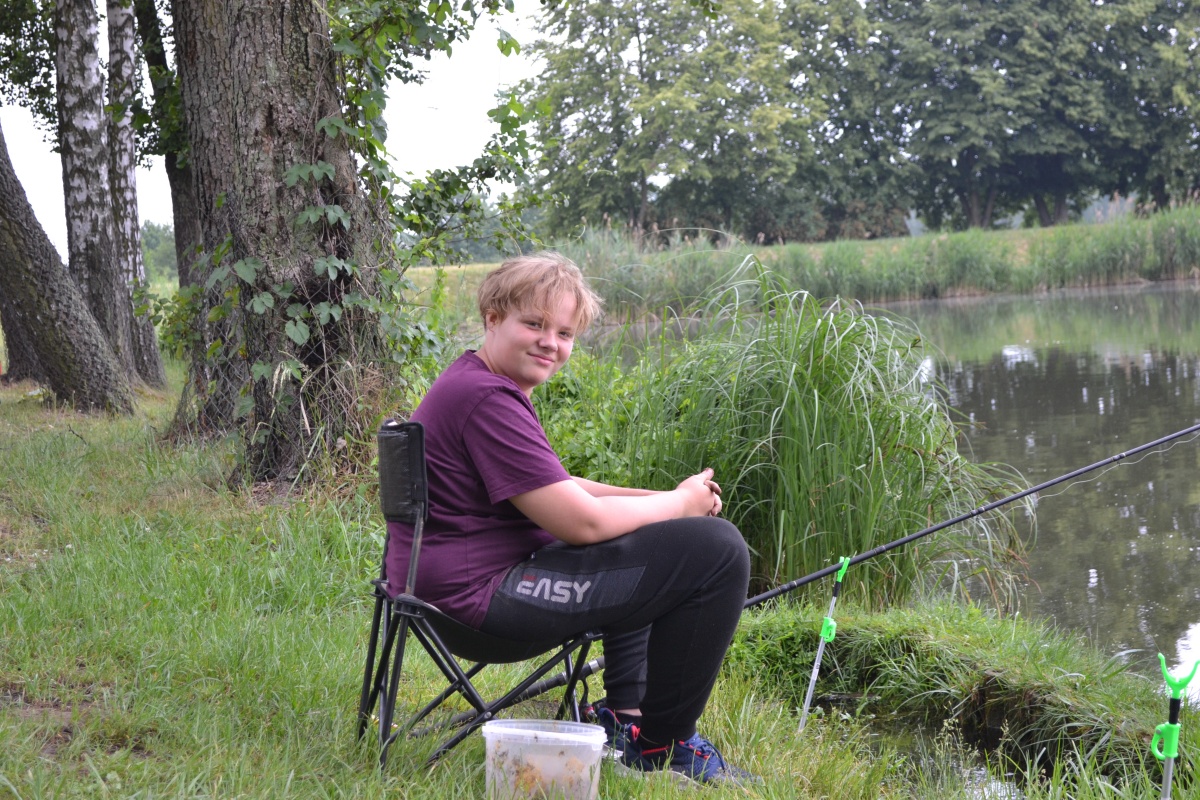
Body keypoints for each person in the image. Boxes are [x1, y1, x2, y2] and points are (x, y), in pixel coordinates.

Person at [385, 251, 753, 784]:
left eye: (564, 333)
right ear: (493, 318)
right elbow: (581, 523)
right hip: (476, 603)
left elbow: (561, 487)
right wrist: (681, 507)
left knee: (655, 531)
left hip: (440, 591)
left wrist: (669, 501)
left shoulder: (477, 382)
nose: (549, 343)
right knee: (719, 550)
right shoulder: (487, 399)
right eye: (534, 324)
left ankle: (625, 718)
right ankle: (666, 747)